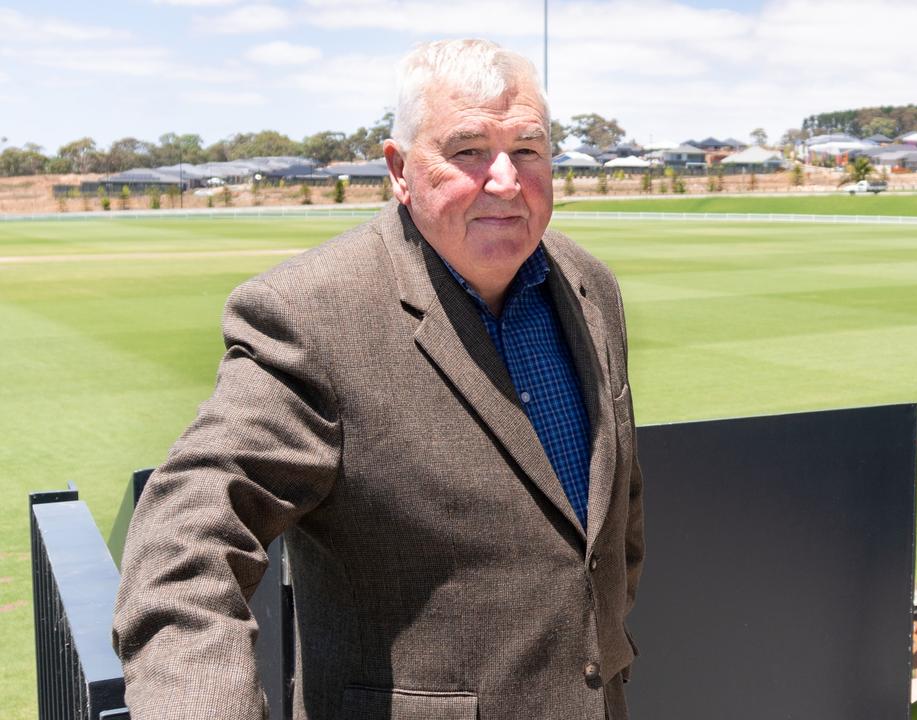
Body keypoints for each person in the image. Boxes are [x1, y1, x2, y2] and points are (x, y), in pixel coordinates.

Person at [113, 39, 643, 720]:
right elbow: (184, 547)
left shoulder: (589, 286)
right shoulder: (311, 314)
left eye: (529, 150)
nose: (506, 181)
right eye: (468, 151)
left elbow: (617, 513)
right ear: (399, 169)